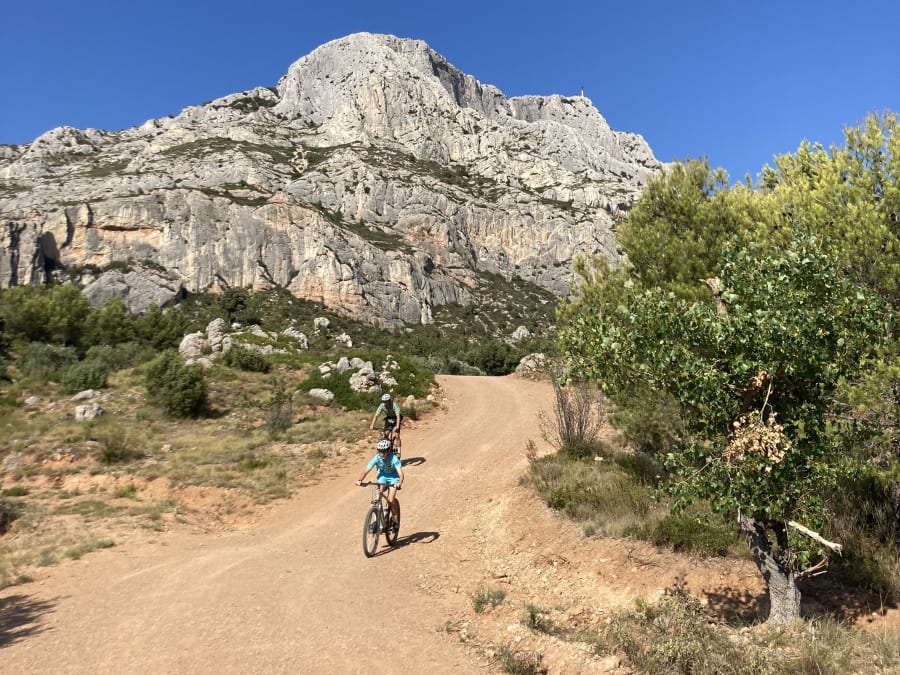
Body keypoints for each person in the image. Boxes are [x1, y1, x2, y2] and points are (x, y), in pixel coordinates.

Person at [356, 438, 404, 527]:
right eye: (380, 451)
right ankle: (375, 520)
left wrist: (399, 483)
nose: (382, 453)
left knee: (390, 500)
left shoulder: (393, 458)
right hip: (382, 476)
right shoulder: (377, 458)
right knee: (378, 495)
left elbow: (401, 474)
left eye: (384, 451)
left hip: (394, 478)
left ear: (388, 451)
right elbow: (366, 470)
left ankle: (395, 519)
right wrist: (360, 480)